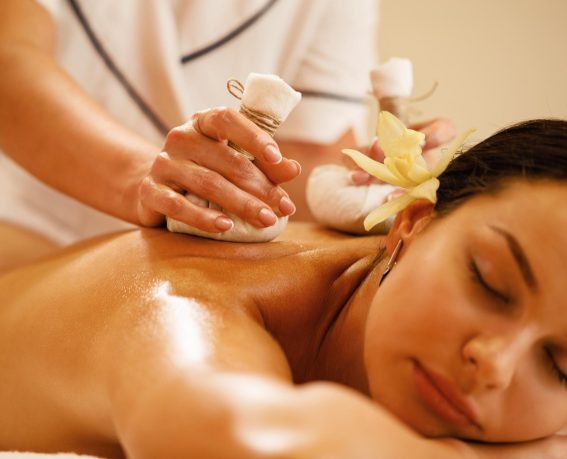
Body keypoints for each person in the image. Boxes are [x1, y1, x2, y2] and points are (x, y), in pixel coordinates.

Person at [1, 118, 567, 458]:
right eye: (489, 283)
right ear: (412, 223)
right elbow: (243, 440)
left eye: (561, 366)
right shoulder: (183, 303)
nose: (493, 364)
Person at [0, 0, 455, 270]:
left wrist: (380, 179)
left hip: (177, 262)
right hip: (24, 226)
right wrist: (148, 179)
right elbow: (10, 58)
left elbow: (299, 166)